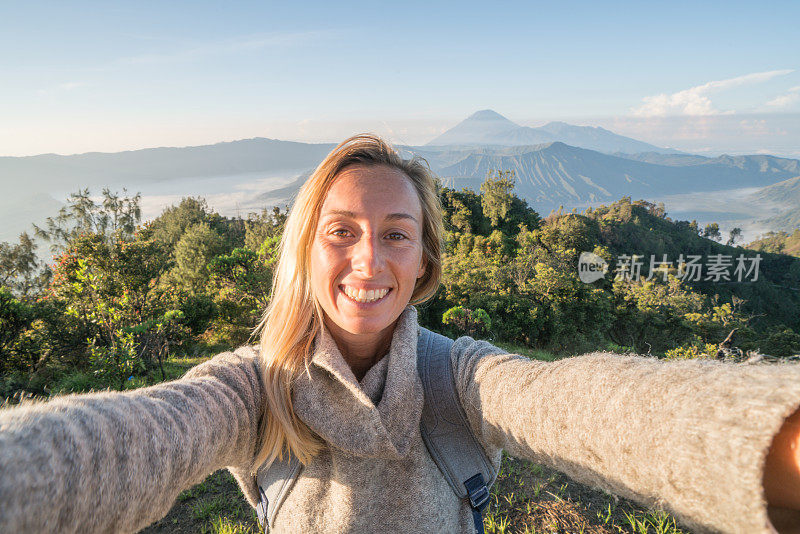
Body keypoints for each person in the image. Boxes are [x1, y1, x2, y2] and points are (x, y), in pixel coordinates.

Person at [1, 134, 799, 534]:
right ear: (306, 250)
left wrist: (771, 442)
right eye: (341, 230)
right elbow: (141, 436)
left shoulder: (461, 382)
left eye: (396, 234)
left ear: (423, 262)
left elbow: (583, 406)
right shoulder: (254, 390)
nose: (368, 258)